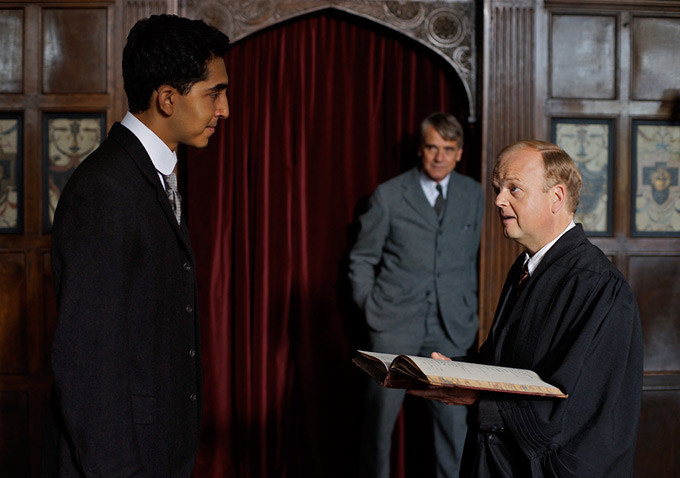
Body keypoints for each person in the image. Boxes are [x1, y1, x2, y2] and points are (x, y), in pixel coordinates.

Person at [42, 14, 230, 477]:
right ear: (167, 98)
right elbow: (87, 363)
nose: (224, 109)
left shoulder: (151, 174)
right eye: (214, 93)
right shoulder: (104, 189)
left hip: (160, 451)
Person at [411, 140, 643, 477]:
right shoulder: (527, 267)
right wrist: (449, 372)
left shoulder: (598, 285)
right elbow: (511, 364)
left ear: (557, 197)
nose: (498, 200)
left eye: (514, 189)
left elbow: (575, 406)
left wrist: (479, 398)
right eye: (498, 188)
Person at [349, 112, 484, 477]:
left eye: (448, 149)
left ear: (459, 153)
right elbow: (361, 259)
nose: (439, 156)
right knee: (378, 426)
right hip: (393, 324)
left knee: (453, 428)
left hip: (451, 327)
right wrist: (371, 307)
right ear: (420, 150)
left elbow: (478, 259)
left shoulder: (474, 195)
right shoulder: (389, 195)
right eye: (432, 147)